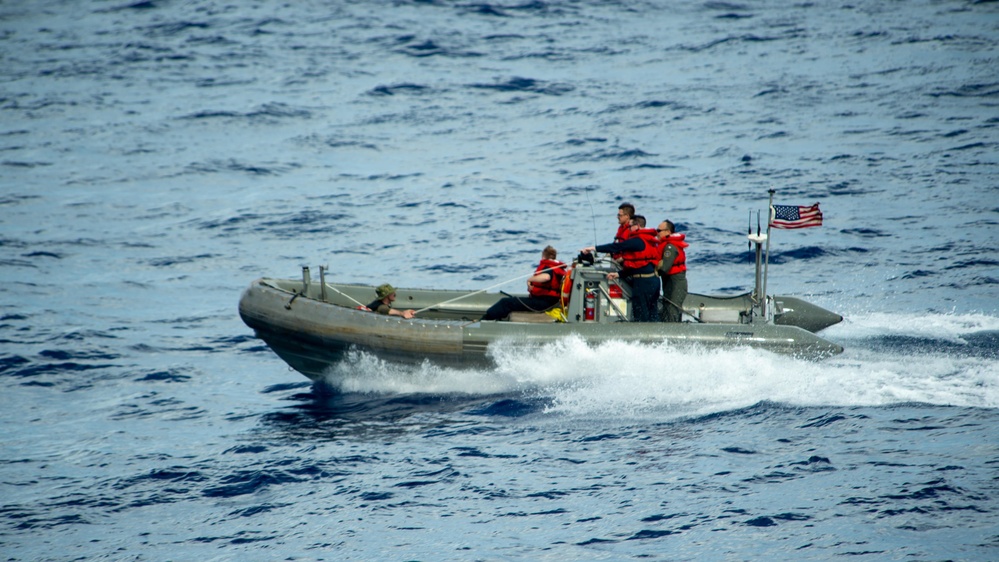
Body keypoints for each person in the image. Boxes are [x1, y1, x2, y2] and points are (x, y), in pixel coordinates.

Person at [581, 215, 661, 322]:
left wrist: (594, 248)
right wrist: (619, 274)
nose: (629, 229)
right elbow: (640, 265)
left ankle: (642, 337)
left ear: (637, 226)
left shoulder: (637, 241)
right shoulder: (649, 240)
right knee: (652, 312)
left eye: (630, 226)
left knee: (641, 314)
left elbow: (617, 247)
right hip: (654, 281)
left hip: (643, 283)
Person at [483, 246, 568, 321]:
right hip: (548, 302)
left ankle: (484, 321)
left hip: (543, 303)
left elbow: (546, 277)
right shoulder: (556, 267)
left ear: (543, 256)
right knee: (512, 301)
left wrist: (530, 279)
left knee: (505, 302)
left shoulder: (548, 267)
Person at [655, 220, 688, 322]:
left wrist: (655, 270)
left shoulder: (670, 247)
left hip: (676, 281)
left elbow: (665, 268)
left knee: (672, 308)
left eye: (659, 230)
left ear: (668, 232)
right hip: (669, 281)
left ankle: (674, 331)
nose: (657, 233)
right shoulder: (665, 245)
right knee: (667, 307)